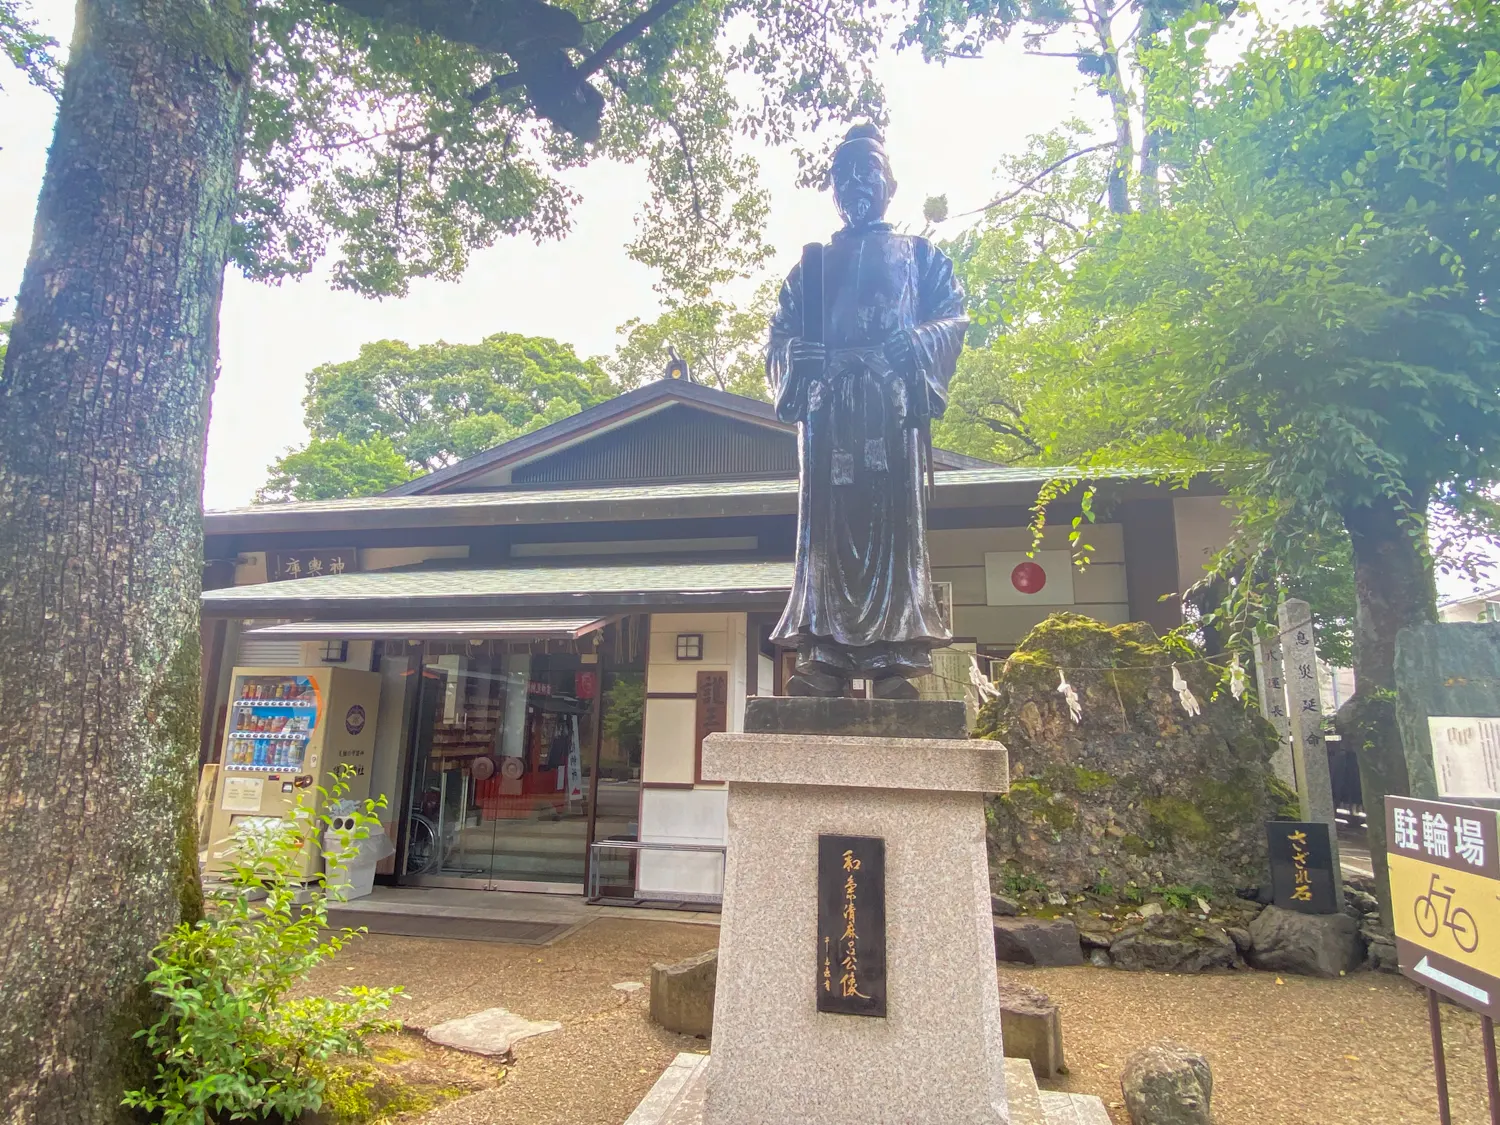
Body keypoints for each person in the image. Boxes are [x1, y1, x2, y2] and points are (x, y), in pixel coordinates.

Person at [767, 122, 968, 699]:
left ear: (890, 182)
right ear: (832, 189)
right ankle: (825, 658)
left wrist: (921, 341)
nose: (856, 184)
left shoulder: (920, 256)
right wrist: (794, 358)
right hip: (831, 416)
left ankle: (892, 658)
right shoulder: (811, 266)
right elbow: (780, 336)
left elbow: (954, 317)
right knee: (827, 535)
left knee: (892, 527)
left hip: (889, 406)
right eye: (843, 175)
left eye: (867, 172)